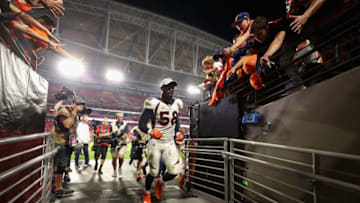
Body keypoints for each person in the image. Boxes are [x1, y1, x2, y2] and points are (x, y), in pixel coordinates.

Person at [139, 78, 185, 203]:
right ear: (162, 89)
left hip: (170, 142)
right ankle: (147, 193)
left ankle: (160, 182)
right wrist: (150, 131)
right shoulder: (153, 103)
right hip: (156, 143)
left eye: (172, 87)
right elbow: (141, 124)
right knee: (154, 172)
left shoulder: (177, 104)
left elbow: (176, 122)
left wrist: (178, 133)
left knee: (174, 171)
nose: (171, 90)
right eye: (168, 87)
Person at [52, 96, 85, 198]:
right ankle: (57, 188)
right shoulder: (65, 111)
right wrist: (74, 111)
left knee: (62, 166)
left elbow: (71, 131)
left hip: (65, 142)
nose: (81, 107)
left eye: (82, 105)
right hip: (60, 142)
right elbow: (66, 125)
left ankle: (57, 185)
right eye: (79, 105)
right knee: (60, 165)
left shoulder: (73, 114)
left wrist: (74, 144)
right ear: (73, 105)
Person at [110, 112, 129, 177]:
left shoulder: (125, 124)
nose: (119, 118)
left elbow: (126, 134)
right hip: (114, 144)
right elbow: (110, 133)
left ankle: (120, 168)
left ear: (123, 117)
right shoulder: (112, 124)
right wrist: (113, 138)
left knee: (121, 156)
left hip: (122, 143)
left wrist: (119, 138)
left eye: (121, 117)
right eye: (118, 117)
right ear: (116, 117)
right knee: (114, 158)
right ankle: (114, 171)